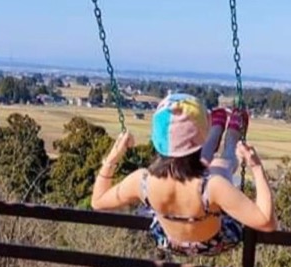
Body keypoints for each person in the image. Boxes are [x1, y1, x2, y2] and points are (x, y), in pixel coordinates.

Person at [91, 92, 277, 256]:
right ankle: (229, 138)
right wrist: (256, 166)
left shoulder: (143, 181)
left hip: (169, 241)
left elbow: (97, 201)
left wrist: (114, 156)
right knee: (222, 166)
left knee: (203, 168)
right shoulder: (214, 186)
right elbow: (266, 222)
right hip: (216, 241)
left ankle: (217, 130)